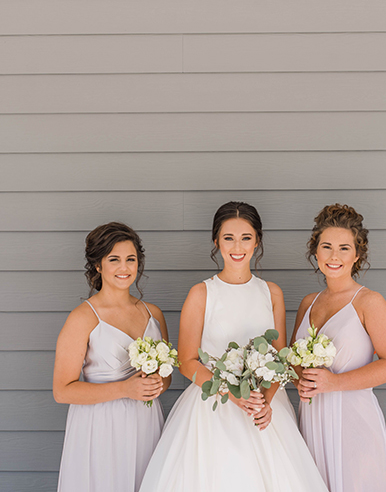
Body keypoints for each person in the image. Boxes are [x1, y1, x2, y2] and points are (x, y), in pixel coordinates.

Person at [139, 201, 328, 492]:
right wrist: (231, 393)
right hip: (214, 405)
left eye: (246, 238)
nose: (237, 246)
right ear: (216, 241)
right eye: (228, 238)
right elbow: (188, 361)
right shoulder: (202, 293)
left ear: (257, 241)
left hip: (262, 405)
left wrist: (263, 401)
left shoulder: (271, 292)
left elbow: (280, 357)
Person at [292, 203, 386, 492]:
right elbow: (293, 360)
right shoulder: (308, 303)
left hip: (352, 421)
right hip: (311, 418)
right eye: (326, 246)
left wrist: (335, 382)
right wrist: (300, 378)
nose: (334, 256)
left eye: (344, 248)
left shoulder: (369, 302)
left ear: (357, 254)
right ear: (315, 251)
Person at [53, 222, 170, 492]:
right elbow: (62, 390)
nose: (124, 268)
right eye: (114, 259)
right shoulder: (82, 318)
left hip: (146, 422)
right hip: (101, 426)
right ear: (98, 265)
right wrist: (126, 388)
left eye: (131, 259)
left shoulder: (153, 314)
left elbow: (166, 378)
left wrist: (156, 384)